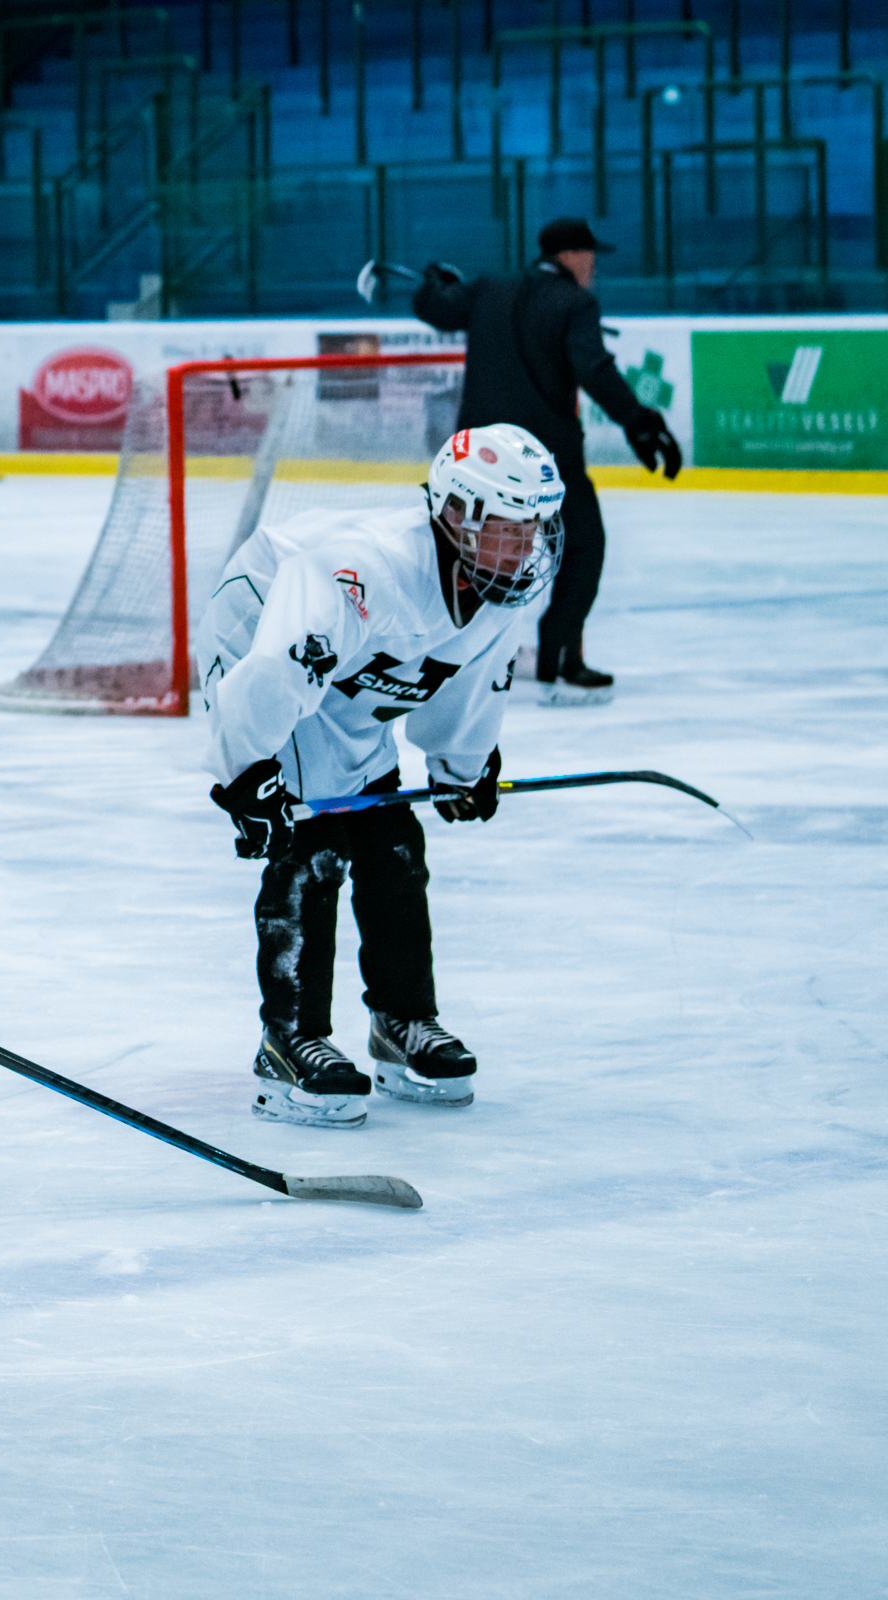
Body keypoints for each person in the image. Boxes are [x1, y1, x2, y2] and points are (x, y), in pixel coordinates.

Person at [200, 424, 565, 1129]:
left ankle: (402, 1022)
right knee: (313, 838)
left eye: (536, 529)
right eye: (512, 531)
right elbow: (276, 670)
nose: (528, 549)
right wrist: (246, 774)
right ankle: (290, 1037)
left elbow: (470, 686)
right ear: (458, 516)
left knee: (392, 837)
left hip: (342, 671)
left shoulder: (494, 591)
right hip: (266, 623)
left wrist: (465, 767)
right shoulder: (365, 572)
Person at [412, 217, 680, 703]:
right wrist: (640, 422)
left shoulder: (490, 287)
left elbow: (436, 309)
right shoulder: (576, 302)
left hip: (478, 457)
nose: (594, 267)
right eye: (591, 258)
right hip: (542, 460)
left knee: (464, 552)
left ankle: (441, 654)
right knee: (583, 547)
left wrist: (436, 282)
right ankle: (559, 655)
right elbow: (594, 369)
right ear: (571, 257)